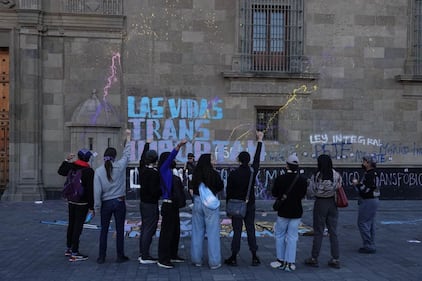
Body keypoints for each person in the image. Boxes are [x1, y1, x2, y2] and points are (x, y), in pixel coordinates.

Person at [224, 131, 264, 266]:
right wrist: (259, 141)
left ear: (239, 160)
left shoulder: (233, 174)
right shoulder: (252, 171)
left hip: (236, 206)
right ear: (249, 161)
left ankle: (234, 256)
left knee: (237, 231)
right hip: (249, 205)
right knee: (250, 229)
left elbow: (228, 193)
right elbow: (257, 159)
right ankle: (254, 255)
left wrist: (227, 208)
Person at [94, 129, 131, 264]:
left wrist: (96, 207)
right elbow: (127, 154)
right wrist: (128, 138)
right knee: (119, 229)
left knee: (104, 230)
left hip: (106, 203)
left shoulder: (98, 171)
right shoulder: (120, 166)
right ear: (115, 157)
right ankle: (120, 256)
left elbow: (97, 192)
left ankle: (101, 257)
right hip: (119, 201)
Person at [270, 154, 307, 272]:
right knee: (292, 237)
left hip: (283, 211)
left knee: (280, 235)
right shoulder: (302, 180)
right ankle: (290, 262)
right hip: (296, 211)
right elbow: (302, 195)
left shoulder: (280, 179)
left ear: (287, 165)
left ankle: (280, 259)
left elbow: (275, 194)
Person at [304, 154, 342, 269]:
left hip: (320, 203)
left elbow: (310, 192)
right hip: (332, 203)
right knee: (333, 231)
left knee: (319, 231)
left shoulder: (317, 176)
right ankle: (335, 258)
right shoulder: (336, 175)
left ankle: (314, 258)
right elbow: (339, 186)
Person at [57, 148, 94, 262]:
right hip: (82, 202)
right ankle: (75, 252)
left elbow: (61, 171)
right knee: (78, 226)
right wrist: (92, 207)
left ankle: (69, 248)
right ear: (88, 158)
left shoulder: (72, 166)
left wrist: (66, 160)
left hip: (71, 200)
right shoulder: (89, 171)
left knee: (71, 224)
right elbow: (90, 190)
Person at [190, 153, 224, 270]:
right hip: (210, 203)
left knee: (197, 231)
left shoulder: (196, 173)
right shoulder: (214, 174)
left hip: (197, 201)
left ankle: (196, 259)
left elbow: (191, 187)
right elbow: (220, 186)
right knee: (213, 233)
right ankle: (214, 261)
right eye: (212, 159)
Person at [157, 139, 187, 269]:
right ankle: (163, 258)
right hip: (168, 204)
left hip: (173, 204)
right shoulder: (163, 170)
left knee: (175, 231)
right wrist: (178, 146)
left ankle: (173, 254)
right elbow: (170, 158)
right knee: (166, 233)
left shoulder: (170, 172)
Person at [138, 141, 162, 264]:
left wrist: (147, 144)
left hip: (143, 203)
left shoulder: (142, 169)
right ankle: (145, 255)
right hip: (151, 204)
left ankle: (143, 252)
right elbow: (154, 191)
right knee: (149, 229)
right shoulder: (153, 174)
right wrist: (161, 191)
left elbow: (142, 159)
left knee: (145, 228)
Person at [352, 155, 380, 254]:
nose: (363, 163)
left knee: (362, 222)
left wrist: (357, 184)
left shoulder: (369, 174)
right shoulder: (375, 173)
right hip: (374, 200)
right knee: (370, 223)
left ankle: (368, 245)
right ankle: (371, 243)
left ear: (368, 163)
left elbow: (366, 190)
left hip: (368, 200)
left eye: (364, 162)